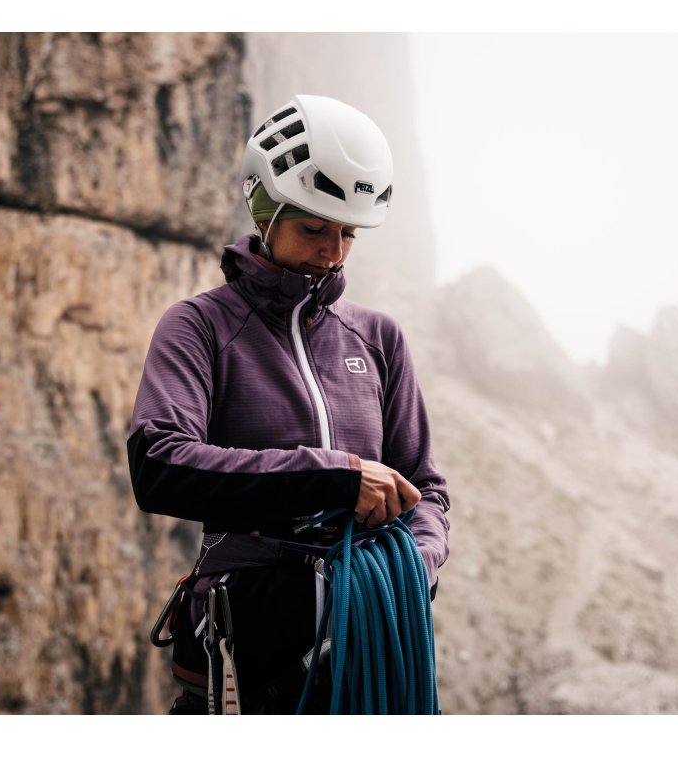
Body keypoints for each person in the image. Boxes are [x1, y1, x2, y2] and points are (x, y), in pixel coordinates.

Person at [127, 94, 449, 714]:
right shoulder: (200, 327)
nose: (333, 251)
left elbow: (425, 488)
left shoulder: (378, 339)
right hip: (247, 650)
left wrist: (415, 565)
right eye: (313, 229)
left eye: (348, 233)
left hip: (365, 644)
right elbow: (159, 465)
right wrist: (332, 476)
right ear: (264, 212)